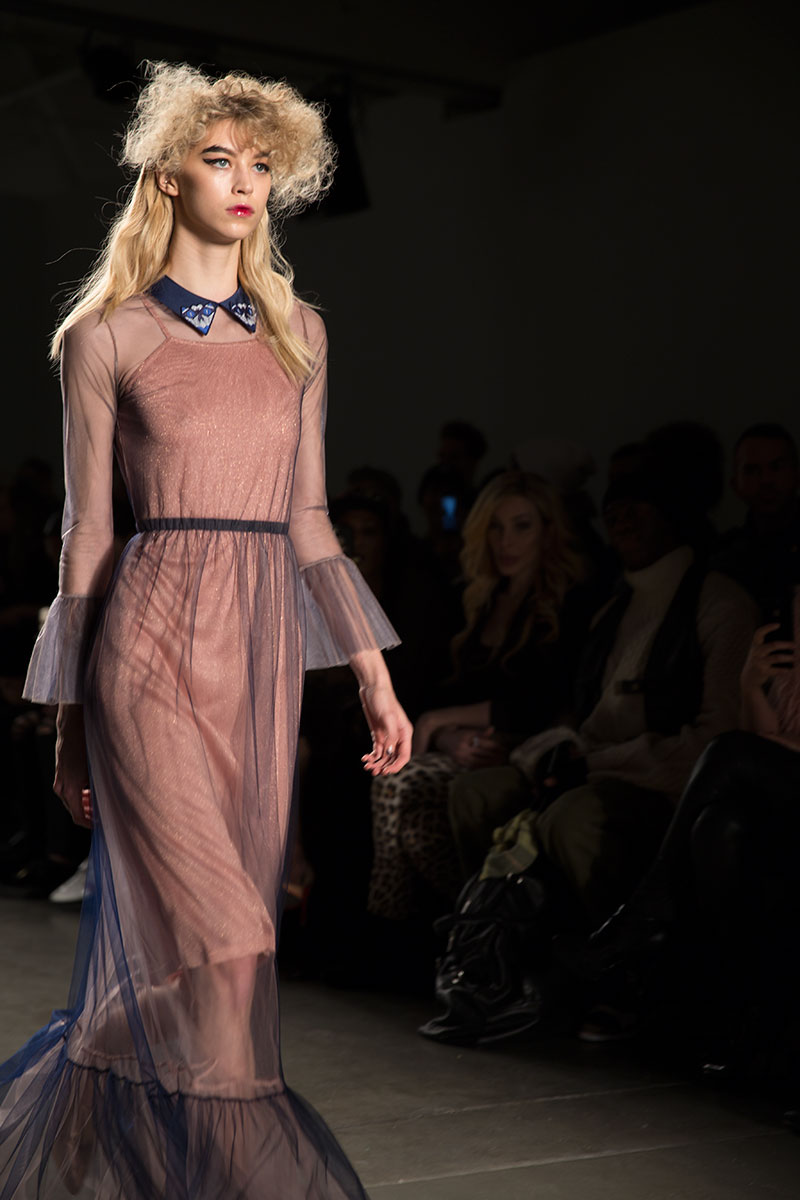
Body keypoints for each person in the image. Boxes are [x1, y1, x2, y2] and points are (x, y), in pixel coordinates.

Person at [0, 61, 412, 1200]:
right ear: (168, 175)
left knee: (236, 945)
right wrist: (69, 729)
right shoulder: (107, 338)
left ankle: (82, 1091)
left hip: (258, 658)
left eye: (262, 164)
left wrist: (373, 676)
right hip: (146, 646)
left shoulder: (300, 333)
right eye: (219, 158)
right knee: (233, 943)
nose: (244, 182)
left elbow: (311, 519)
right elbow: (87, 539)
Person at [368, 471, 588, 927]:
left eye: (521, 526)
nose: (506, 541)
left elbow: (544, 699)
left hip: (526, 747)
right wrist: (444, 733)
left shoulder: (569, 599)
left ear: (547, 530)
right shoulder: (477, 598)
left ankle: (403, 925)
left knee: (397, 784)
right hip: (465, 746)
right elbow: (442, 688)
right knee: (411, 815)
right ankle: (469, 922)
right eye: (496, 527)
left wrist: (437, 721)